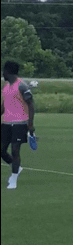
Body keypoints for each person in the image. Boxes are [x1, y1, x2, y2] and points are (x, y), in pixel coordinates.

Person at [1, 61, 36, 190]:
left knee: (15, 150)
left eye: (4, 71)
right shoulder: (6, 86)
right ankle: (16, 167)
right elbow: (4, 105)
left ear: (8, 71)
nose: (2, 73)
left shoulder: (22, 86)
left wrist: (30, 124)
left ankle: (14, 179)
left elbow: (31, 105)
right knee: (1, 150)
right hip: (6, 123)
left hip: (20, 123)